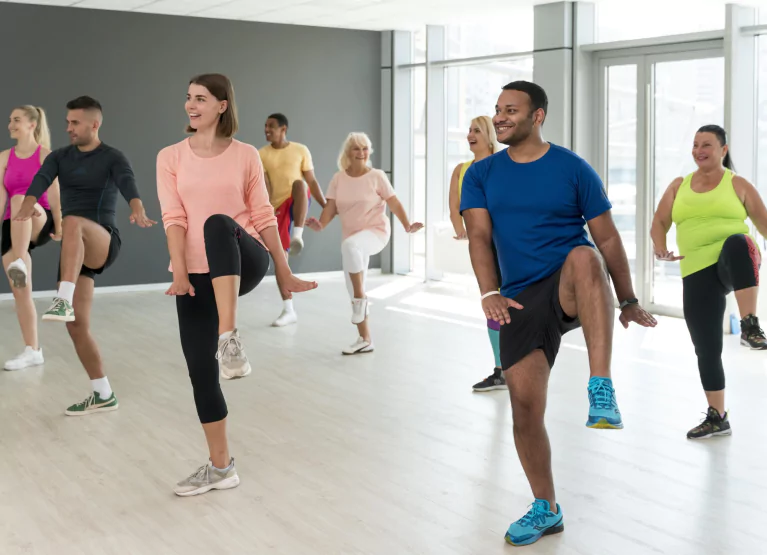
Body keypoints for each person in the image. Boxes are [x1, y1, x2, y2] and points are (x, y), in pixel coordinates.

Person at [460, 81, 657, 547]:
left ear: (538, 115)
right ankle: (546, 507)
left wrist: (627, 299)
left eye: (512, 109)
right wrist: (488, 291)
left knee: (585, 256)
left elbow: (606, 239)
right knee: (525, 410)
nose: (501, 117)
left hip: (570, 283)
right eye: (498, 110)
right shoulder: (481, 174)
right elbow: (478, 238)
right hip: (519, 297)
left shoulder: (572, 168)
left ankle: (601, 385)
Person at [158, 74, 318, 497]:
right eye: (188, 98)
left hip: (243, 258)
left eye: (200, 99)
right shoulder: (170, 157)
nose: (191, 105)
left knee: (217, 223)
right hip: (195, 273)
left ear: (222, 105)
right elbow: (173, 218)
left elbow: (263, 216)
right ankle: (221, 467)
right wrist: (177, 272)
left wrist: (283, 271)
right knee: (200, 372)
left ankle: (229, 335)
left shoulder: (246, 154)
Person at [16, 95, 155, 416]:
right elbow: (40, 178)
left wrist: (136, 205)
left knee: (74, 221)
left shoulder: (112, 157)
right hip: (74, 252)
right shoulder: (61, 156)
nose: (69, 128)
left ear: (95, 124)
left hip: (103, 240)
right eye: (67, 122)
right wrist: (28, 200)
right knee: (77, 326)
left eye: (75, 123)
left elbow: (127, 182)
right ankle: (103, 393)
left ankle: (61, 297)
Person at [651, 124, 767, 440]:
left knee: (737, 242)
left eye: (707, 145)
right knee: (706, 347)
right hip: (696, 270)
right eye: (695, 144)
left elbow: (763, 222)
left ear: (723, 150)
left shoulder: (737, 183)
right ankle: (718, 417)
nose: (700, 150)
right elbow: (659, 222)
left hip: (735, 260)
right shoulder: (680, 185)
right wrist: (660, 247)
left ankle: (749, 324)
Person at [306, 132, 422, 354]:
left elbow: (394, 202)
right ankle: (365, 339)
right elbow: (331, 208)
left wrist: (407, 226)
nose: (361, 153)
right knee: (351, 286)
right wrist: (320, 225)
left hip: (376, 232)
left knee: (351, 252)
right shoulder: (339, 178)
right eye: (356, 149)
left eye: (365, 148)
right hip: (352, 238)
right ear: (348, 152)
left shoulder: (376, 176)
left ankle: (361, 298)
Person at [0, 105, 62, 371]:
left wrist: (60, 225)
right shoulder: (3, 157)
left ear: (32, 125)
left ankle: (20, 259)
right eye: (10, 120)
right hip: (12, 223)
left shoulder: (46, 156)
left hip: (39, 216)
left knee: (20, 199)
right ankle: (33, 350)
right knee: (21, 293)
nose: (10, 124)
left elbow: (57, 195)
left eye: (16, 120)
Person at [448, 116, 506, 392]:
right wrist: (462, 230)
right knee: (493, 305)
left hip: (508, 246)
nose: (470, 134)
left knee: (513, 304)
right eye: (469, 130)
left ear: (490, 135)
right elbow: (454, 206)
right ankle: (501, 369)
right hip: (484, 247)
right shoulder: (461, 170)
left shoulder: (505, 164)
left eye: (477, 130)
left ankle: (515, 368)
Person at [259, 113, 326, 327]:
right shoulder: (261, 154)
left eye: (271, 126)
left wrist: (326, 206)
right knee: (281, 261)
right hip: (278, 209)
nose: (267, 130)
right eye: (265, 127)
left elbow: (311, 181)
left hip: (297, 201)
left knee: (299, 184)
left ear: (283, 129)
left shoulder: (300, 150)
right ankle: (289, 310)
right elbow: (266, 186)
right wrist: (268, 213)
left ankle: (298, 235)